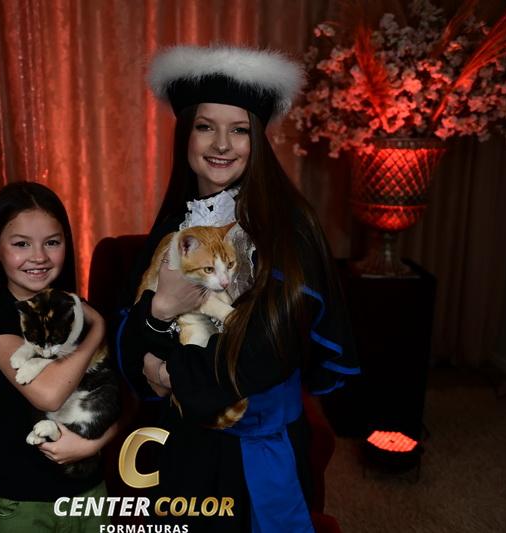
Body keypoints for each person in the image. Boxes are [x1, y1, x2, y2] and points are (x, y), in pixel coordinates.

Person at [116, 45, 360, 532]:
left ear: (258, 140)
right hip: (181, 440)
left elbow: (265, 354)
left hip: (256, 453)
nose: (222, 144)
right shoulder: (176, 225)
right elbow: (130, 338)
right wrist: (159, 312)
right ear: (186, 136)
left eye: (240, 129)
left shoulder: (290, 230)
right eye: (206, 127)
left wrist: (164, 370)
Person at [0, 181, 117, 532]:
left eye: (52, 242)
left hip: (87, 488)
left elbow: (116, 395)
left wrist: (94, 443)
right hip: (21, 491)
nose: (39, 256)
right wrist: (97, 330)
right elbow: (48, 394)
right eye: (21, 244)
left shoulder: (75, 307)